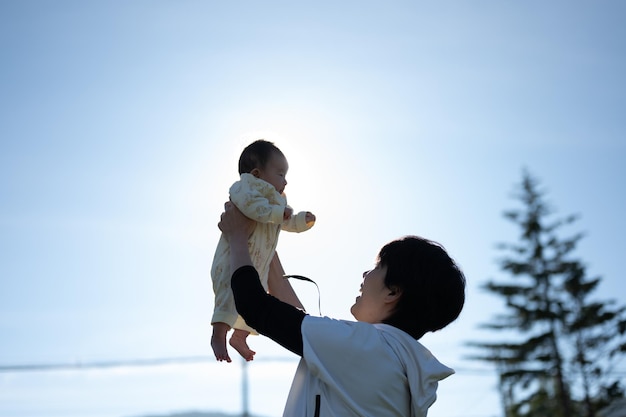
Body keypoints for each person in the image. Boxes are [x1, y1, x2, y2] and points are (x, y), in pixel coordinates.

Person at [218, 202, 466, 417]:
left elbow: (255, 306)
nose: (365, 274)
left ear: (393, 292)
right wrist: (264, 241)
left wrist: (238, 236)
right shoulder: (394, 360)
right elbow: (297, 319)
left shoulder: (368, 347)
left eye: (377, 267)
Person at [210, 140, 316, 363]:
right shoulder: (246, 189)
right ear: (257, 174)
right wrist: (279, 212)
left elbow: (281, 222)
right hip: (233, 261)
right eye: (280, 173)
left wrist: (299, 221)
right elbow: (254, 209)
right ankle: (218, 334)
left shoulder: (275, 202)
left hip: (258, 262)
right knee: (229, 297)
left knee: (255, 301)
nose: (285, 181)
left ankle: (239, 337)